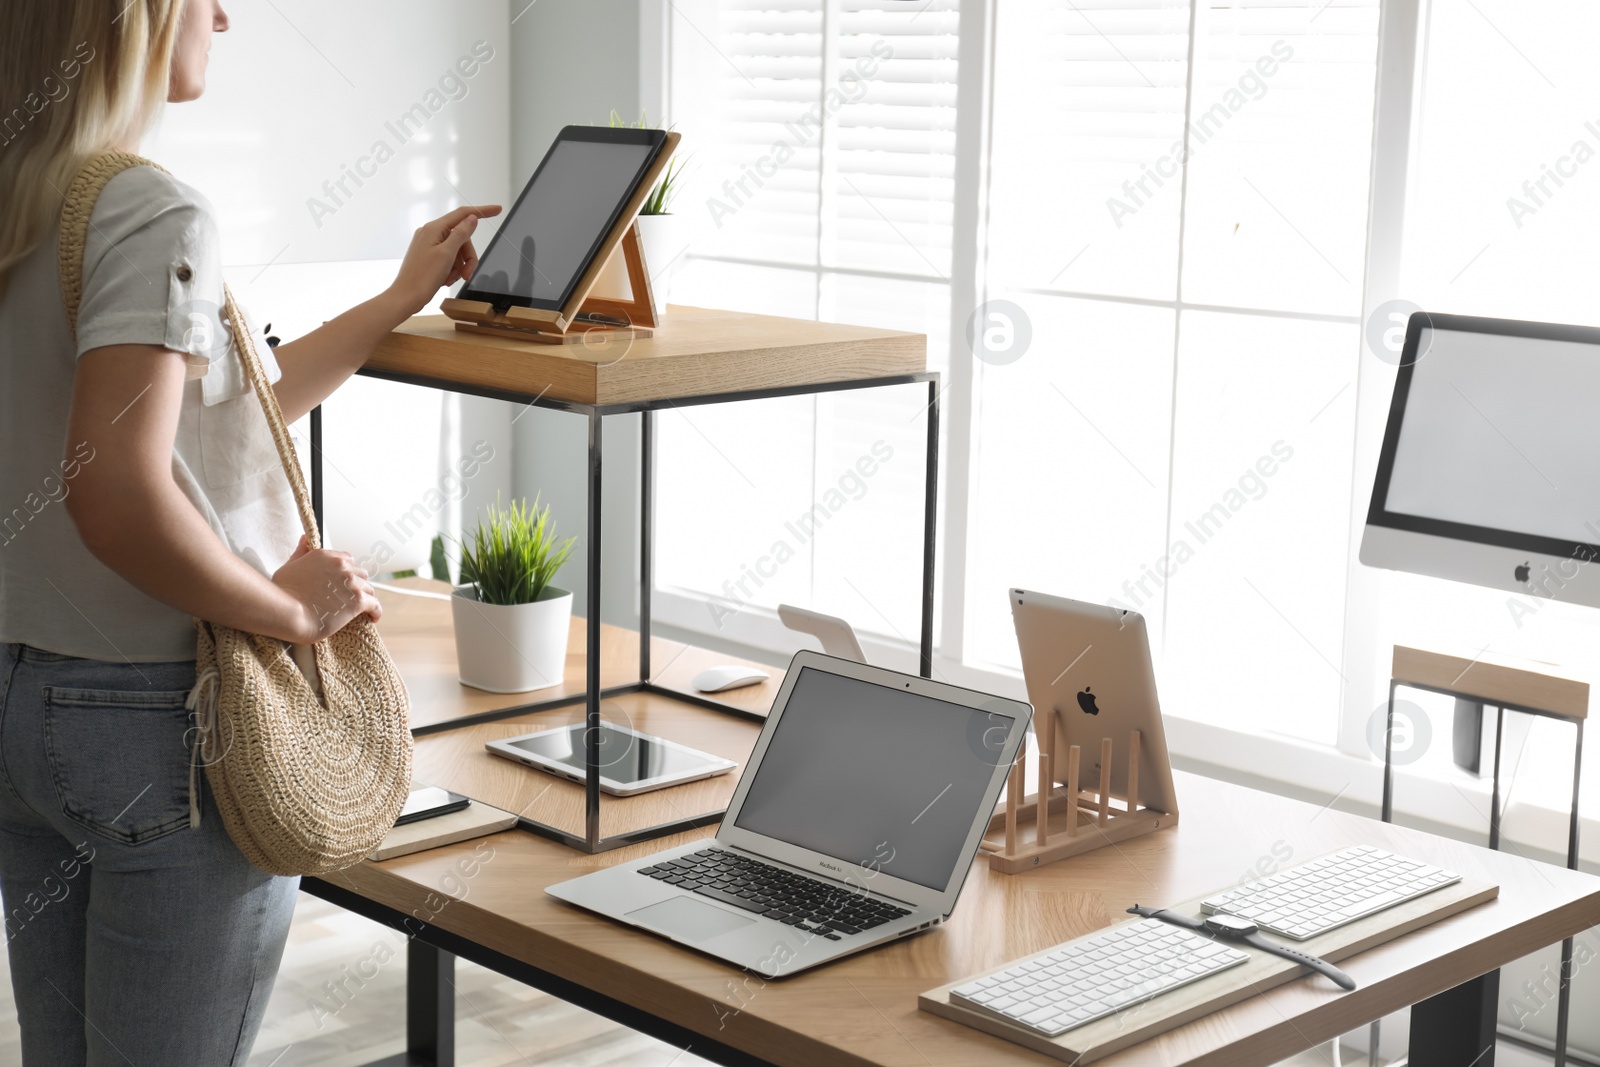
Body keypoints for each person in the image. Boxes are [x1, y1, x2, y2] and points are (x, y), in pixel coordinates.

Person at [0, 2, 500, 1061]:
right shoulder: (146, 209)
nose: (224, 15)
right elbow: (119, 491)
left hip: (24, 700)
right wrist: (293, 611)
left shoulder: (25, 199)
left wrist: (399, 297)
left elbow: (226, 408)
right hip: (154, 719)